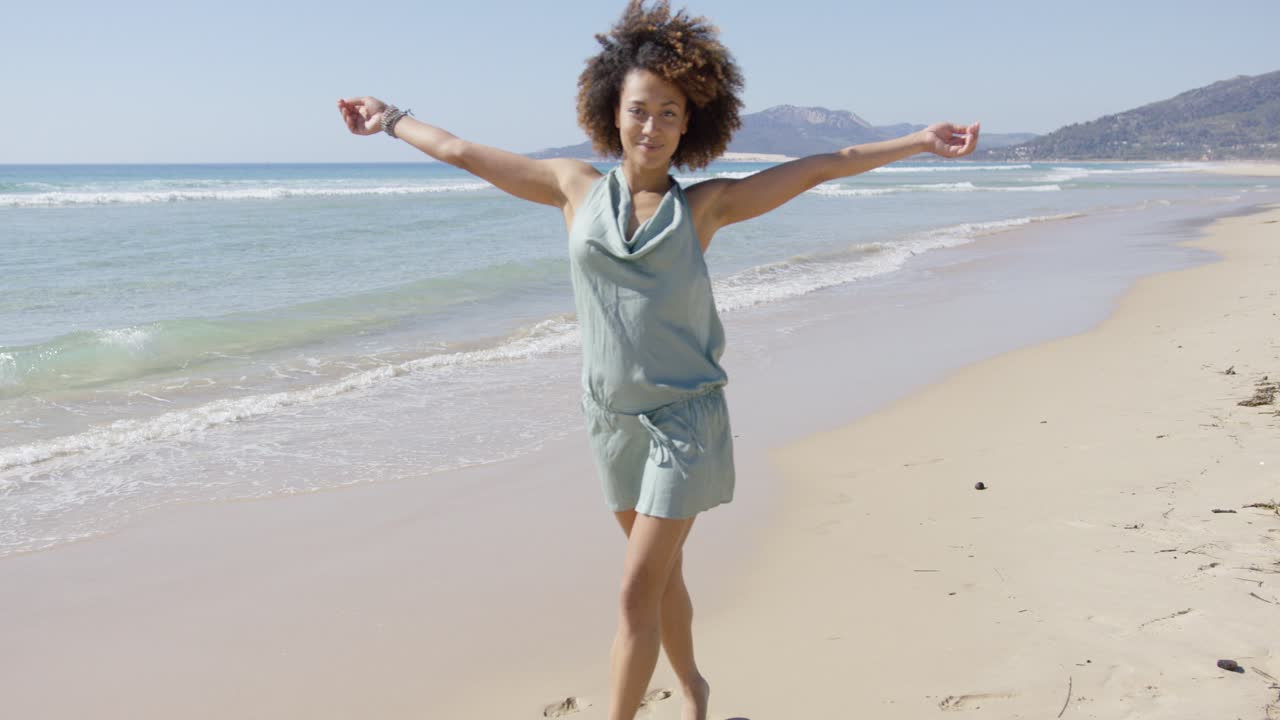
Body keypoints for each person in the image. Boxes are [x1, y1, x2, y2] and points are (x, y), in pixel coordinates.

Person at [338, 2, 979, 718]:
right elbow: (459, 149)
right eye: (640, 110)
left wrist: (920, 140)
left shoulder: (705, 208)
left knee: (633, 590)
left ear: (689, 123)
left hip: (684, 422)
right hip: (612, 422)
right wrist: (389, 118)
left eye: (669, 113)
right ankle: (694, 687)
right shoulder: (569, 187)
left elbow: (822, 166)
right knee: (662, 579)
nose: (652, 127)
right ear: (614, 112)